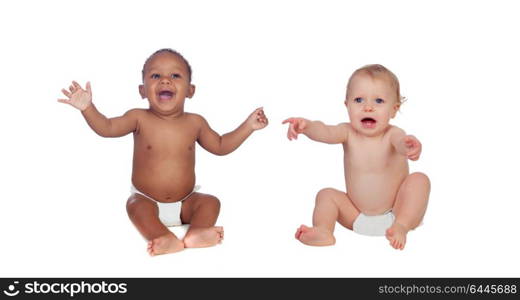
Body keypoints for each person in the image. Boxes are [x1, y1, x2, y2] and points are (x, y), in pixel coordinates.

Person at [58, 49, 268, 255]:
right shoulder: (138, 118)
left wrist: (248, 126)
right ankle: (163, 237)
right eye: (156, 75)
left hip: (186, 201)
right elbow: (107, 128)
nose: (165, 80)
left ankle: (196, 233)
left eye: (175, 75)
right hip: (147, 199)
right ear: (142, 90)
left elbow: (221, 146)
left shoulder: (196, 122)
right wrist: (88, 108)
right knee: (134, 206)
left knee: (210, 202)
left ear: (190, 90)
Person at [283, 64, 430, 250]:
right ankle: (323, 231)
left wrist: (409, 146)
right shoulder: (347, 132)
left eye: (378, 101)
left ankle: (402, 227)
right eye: (359, 100)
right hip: (355, 215)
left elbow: (401, 143)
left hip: (396, 212)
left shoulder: (393, 134)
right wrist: (307, 127)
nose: (368, 107)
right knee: (326, 195)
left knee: (419, 180)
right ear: (347, 105)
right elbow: (326, 132)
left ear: (394, 109)